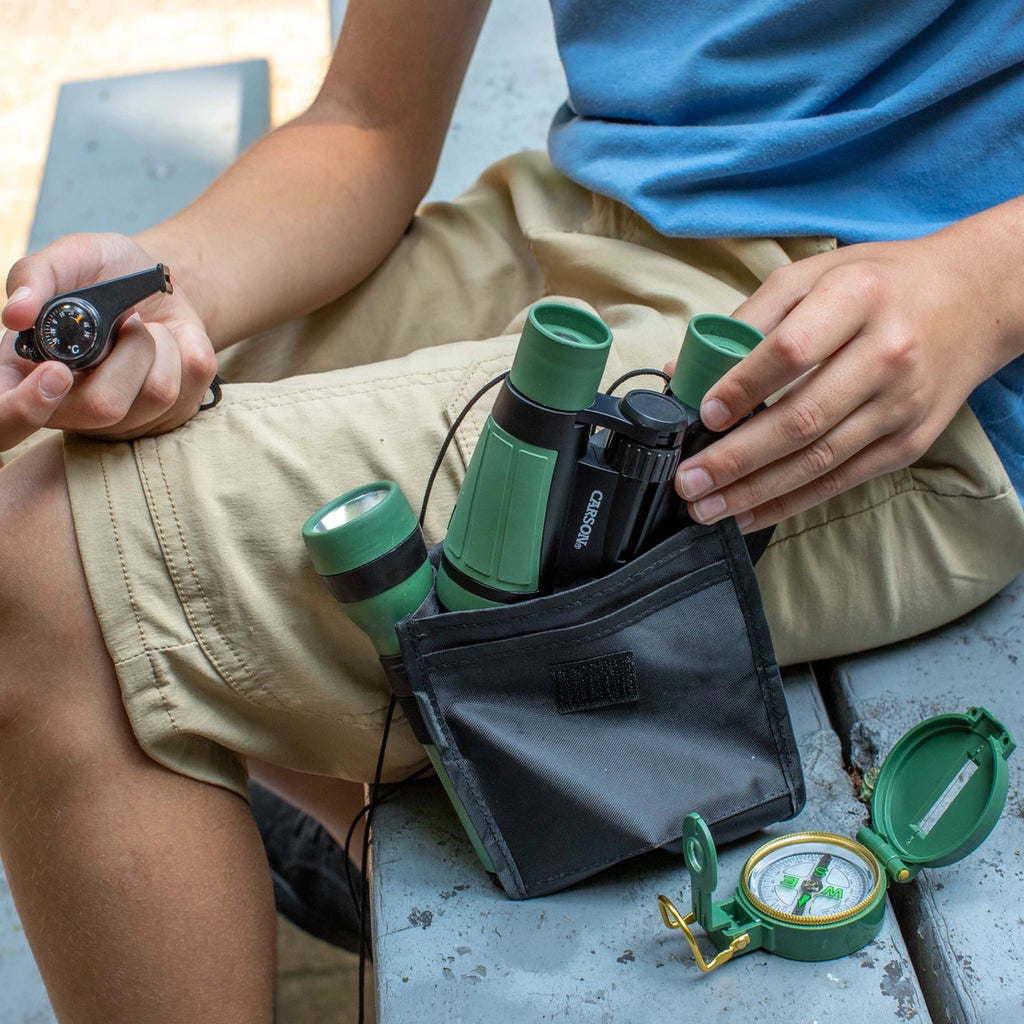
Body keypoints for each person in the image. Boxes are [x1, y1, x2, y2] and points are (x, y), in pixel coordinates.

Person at [2, 0, 1023, 1019]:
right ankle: (406, 844)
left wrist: (983, 286)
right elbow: (366, 120)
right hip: (577, 215)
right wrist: (165, 290)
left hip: (875, 345)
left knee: (45, 561)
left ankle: (406, 839)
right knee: (85, 440)